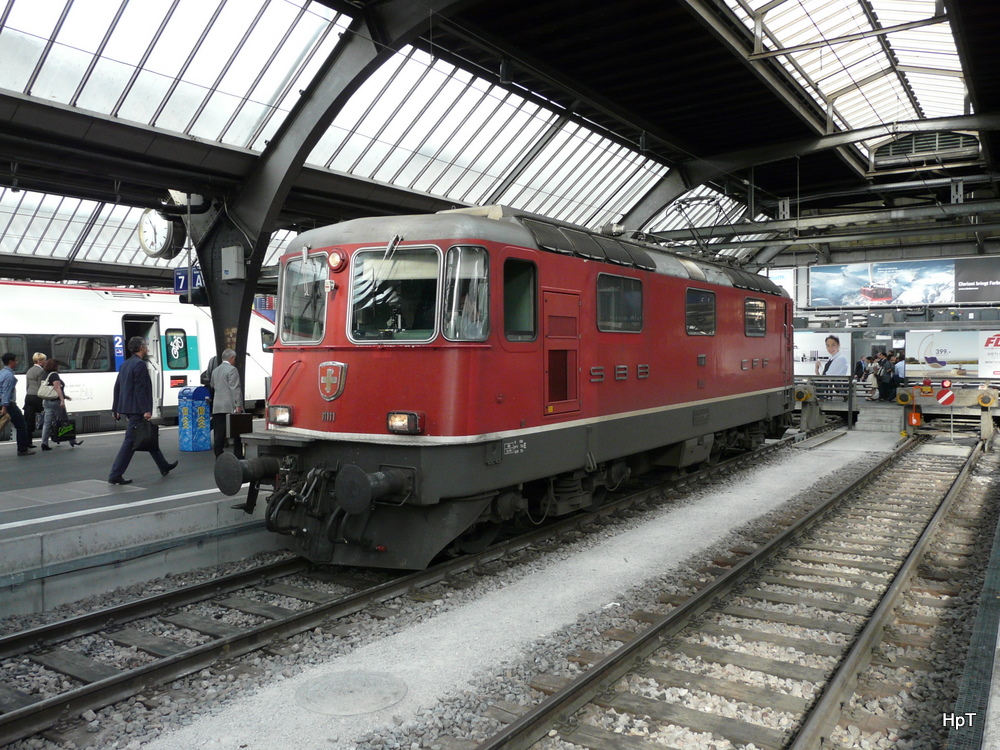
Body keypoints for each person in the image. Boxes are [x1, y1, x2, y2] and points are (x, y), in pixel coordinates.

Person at [108, 336, 178, 485]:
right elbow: (140, 389)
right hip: (136, 409)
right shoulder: (139, 365)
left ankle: (163, 465)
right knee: (130, 442)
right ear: (141, 348)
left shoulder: (125, 364)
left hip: (128, 407)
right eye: (145, 345)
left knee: (147, 433)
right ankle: (115, 474)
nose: (147, 347)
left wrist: (115, 408)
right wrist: (146, 409)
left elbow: (117, 387)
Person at [38, 358, 83, 450]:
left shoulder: (44, 374)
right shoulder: (54, 375)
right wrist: (62, 400)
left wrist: (65, 396)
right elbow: (57, 388)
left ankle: (44, 443)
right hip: (56, 402)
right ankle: (72, 440)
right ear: (55, 366)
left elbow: (51, 389)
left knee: (47, 423)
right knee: (65, 421)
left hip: (47, 401)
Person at [210, 348, 244, 459]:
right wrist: (237, 404)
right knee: (237, 431)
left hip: (217, 406)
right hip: (229, 406)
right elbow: (235, 388)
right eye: (234, 359)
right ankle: (238, 455)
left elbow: (212, 385)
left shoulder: (215, 371)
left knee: (219, 433)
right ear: (232, 358)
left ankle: (218, 454)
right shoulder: (232, 370)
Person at [0, 353, 34, 456]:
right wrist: (5, 407)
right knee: (21, 425)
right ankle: (23, 449)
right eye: (15, 360)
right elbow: (6, 392)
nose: (16, 362)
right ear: (11, 362)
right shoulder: (9, 376)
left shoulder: (2, 372)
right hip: (8, 404)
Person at [22, 352, 46, 443]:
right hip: (37, 397)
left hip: (29, 396)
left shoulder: (29, 370)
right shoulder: (41, 371)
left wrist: (28, 393)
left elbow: (27, 385)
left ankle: (28, 441)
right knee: (46, 416)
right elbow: (41, 385)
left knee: (29, 420)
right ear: (39, 361)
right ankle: (50, 436)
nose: (45, 362)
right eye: (44, 360)